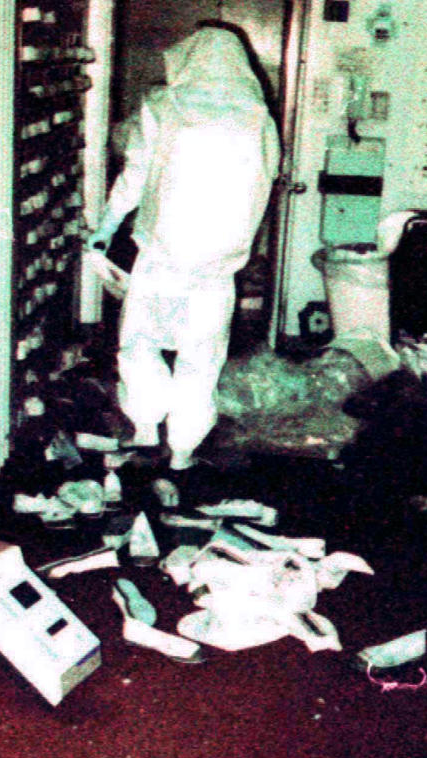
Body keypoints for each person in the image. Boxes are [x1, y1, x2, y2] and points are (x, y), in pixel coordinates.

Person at [87, 26, 280, 471]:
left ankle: (144, 428)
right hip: (216, 267)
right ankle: (184, 450)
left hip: (160, 256)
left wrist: (107, 226)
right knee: (202, 357)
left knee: (140, 343)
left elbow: (134, 176)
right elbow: (265, 184)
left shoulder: (165, 106)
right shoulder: (258, 118)